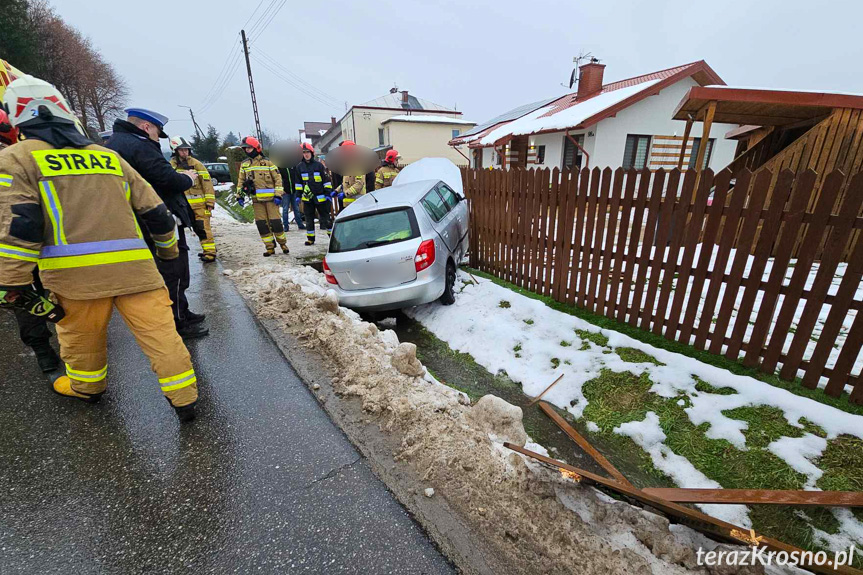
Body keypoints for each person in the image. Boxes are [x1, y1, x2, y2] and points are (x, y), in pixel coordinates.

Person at [0, 76, 199, 421]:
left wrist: (11, 283)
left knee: (81, 339)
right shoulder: (107, 157)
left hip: (76, 281)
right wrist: (167, 254)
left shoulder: (17, 160)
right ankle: (185, 399)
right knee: (163, 336)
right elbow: (157, 214)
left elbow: (20, 227)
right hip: (138, 272)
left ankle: (88, 389)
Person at [106, 108, 208, 339]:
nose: (156, 137)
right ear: (146, 127)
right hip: (158, 220)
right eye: (156, 132)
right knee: (174, 270)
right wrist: (187, 178)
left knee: (172, 271)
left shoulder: (117, 143)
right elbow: (166, 178)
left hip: (143, 221)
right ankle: (177, 321)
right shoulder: (138, 146)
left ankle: (182, 312)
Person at [0, 107, 61, 373]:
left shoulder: (24, 157)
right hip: (29, 241)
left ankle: (50, 348)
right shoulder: (24, 155)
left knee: (26, 296)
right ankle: (48, 349)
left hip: (27, 242)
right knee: (28, 296)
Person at [236, 136, 289, 257]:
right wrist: (240, 195)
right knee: (261, 224)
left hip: (271, 200)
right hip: (257, 201)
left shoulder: (269, 162)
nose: (247, 151)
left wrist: (278, 195)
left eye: (249, 148)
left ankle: (283, 244)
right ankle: (269, 247)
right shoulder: (245, 165)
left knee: (276, 223)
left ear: (256, 148)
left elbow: (278, 180)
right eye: (245, 149)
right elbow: (241, 181)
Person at [170, 136, 216, 262]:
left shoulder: (196, 165)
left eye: (187, 150)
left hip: (200, 205)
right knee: (191, 229)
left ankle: (210, 253)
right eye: (182, 150)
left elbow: (207, 184)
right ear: (175, 151)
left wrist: (210, 202)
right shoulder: (171, 166)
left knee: (203, 228)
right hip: (183, 206)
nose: (185, 152)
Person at [295, 143, 332, 245]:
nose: (306, 154)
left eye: (307, 152)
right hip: (308, 198)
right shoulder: (299, 167)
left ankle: (332, 238)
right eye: (304, 153)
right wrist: (298, 195)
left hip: (320, 197)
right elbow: (298, 184)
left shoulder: (319, 166)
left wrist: (328, 194)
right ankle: (310, 239)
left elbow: (326, 181)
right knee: (309, 219)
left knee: (326, 219)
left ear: (312, 153)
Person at [278, 164, 305, 232]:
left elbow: (298, 177)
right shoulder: (280, 167)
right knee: (285, 209)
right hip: (285, 192)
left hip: (294, 191)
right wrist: (282, 189)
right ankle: (286, 226)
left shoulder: (293, 166)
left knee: (296, 208)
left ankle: (300, 224)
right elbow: (278, 179)